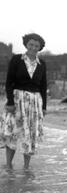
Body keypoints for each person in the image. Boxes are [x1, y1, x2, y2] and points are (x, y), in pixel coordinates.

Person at [0, 33, 47, 170]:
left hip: (34, 103)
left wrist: (44, 107)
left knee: (30, 134)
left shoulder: (42, 64)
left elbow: (43, 86)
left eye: (36, 46)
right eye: (31, 44)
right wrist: (10, 102)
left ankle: (26, 167)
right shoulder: (16, 59)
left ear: (40, 48)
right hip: (16, 101)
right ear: (26, 44)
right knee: (13, 132)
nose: (33, 47)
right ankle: (9, 165)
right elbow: (9, 82)